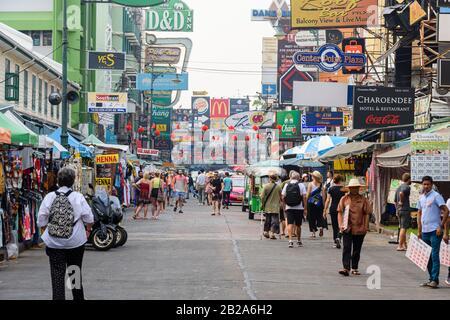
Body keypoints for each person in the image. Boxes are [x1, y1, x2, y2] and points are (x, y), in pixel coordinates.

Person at [37, 167, 94, 300]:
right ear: (73, 181)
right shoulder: (78, 197)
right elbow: (89, 218)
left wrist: (51, 229)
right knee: (75, 273)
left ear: (58, 180)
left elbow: (41, 220)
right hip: (75, 242)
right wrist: (88, 230)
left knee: (57, 277)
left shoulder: (49, 197)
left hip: (54, 243)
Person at [417, 176, 449, 289]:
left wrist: (441, 226)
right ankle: (431, 278)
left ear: (432, 185)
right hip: (425, 231)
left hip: (435, 231)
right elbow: (419, 214)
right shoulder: (421, 197)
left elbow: (446, 211)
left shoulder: (436, 196)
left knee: (434, 255)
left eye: (428, 184)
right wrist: (419, 230)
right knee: (427, 256)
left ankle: (435, 280)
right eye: (424, 184)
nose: (426, 186)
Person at [338, 178, 372, 277]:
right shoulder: (344, 199)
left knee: (357, 249)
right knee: (347, 247)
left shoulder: (363, 200)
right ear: (349, 188)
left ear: (358, 188)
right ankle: (346, 268)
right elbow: (340, 212)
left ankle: (355, 267)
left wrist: (365, 227)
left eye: (356, 188)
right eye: (352, 188)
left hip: (360, 227)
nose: (354, 189)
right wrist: (341, 225)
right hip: (347, 227)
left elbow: (367, 214)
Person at [281, 171, 307, 248]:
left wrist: (285, 205)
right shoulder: (301, 185)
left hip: (289, 208)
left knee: (289, 224)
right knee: (298, 225)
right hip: (299, 208)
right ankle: (299, 240)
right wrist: (305, 208)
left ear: (291, 177)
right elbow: (304, 197)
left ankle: (290, 241)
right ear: (298, 178)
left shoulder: (286, 185)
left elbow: (282, 196)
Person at [324, 174, 346, 249]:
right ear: (340, 180)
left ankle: (335, 240)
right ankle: (339, 237)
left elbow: (328, 200)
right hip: (342, 208)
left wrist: (325, 210)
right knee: (342, 224)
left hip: (333, 208)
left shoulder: (331, 189)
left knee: (335, 225)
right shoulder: (344, 189)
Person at [260, 173, 282, 240]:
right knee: (275, 221)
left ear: (270, 178)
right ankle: (272, 233)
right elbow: (281, 196)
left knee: (268, 220)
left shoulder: (266, 186)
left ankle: (266, 232)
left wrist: (262, 203)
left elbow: (262, 196)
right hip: (275, 207)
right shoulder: (278, 187)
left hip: (267, 206)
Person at [394, 173, 412, 251]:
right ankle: (400, 245)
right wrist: (401, 201)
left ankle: (404, 245)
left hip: (399, 210)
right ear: (409, 179)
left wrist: (397, 209)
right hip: (404, 210)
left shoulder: (398, 187)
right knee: (403, 228)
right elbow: (402, 193)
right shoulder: (407, 187)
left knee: (402, 227)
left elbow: (395, 201)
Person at [306, 171, 326, 239]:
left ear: (313, 177)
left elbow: (308, 194)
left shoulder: (310, 184)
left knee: (312, 218)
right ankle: (320, 228)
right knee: (319, 216)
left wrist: (306, 202)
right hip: (319, 203)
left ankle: (313, 233)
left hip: (311, 203)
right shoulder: (321, 184)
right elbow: (323, 195)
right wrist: (323, 204)